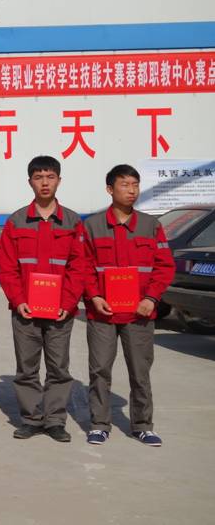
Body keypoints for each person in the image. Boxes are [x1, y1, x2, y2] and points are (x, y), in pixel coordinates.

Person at [83, 164, 175, 447]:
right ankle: (99, 424)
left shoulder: (150, 225)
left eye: (135, 184)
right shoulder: (92, 226)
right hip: (103, 313)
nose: (131, 190)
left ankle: (143, 425)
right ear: (110, 189)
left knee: (140, 371)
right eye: (124, 184)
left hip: (139, 313)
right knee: (100, 370)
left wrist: (151, 298)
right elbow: (83, 266)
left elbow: (164, 266)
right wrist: (94, 296)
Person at [0, 156, 86, 443]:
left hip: (60, 310)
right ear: (30, 182)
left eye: (50, 177)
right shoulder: (16, 221)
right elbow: (7, 266)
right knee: (27, 367)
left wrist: (68, 303)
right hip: (26, 309)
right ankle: (32, 419)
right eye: (38, 177)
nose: (45, 183)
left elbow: (79, 267)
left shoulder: (72, 221)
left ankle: (55, 420)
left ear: (59, 180)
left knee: (59, 367)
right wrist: (18, 299)